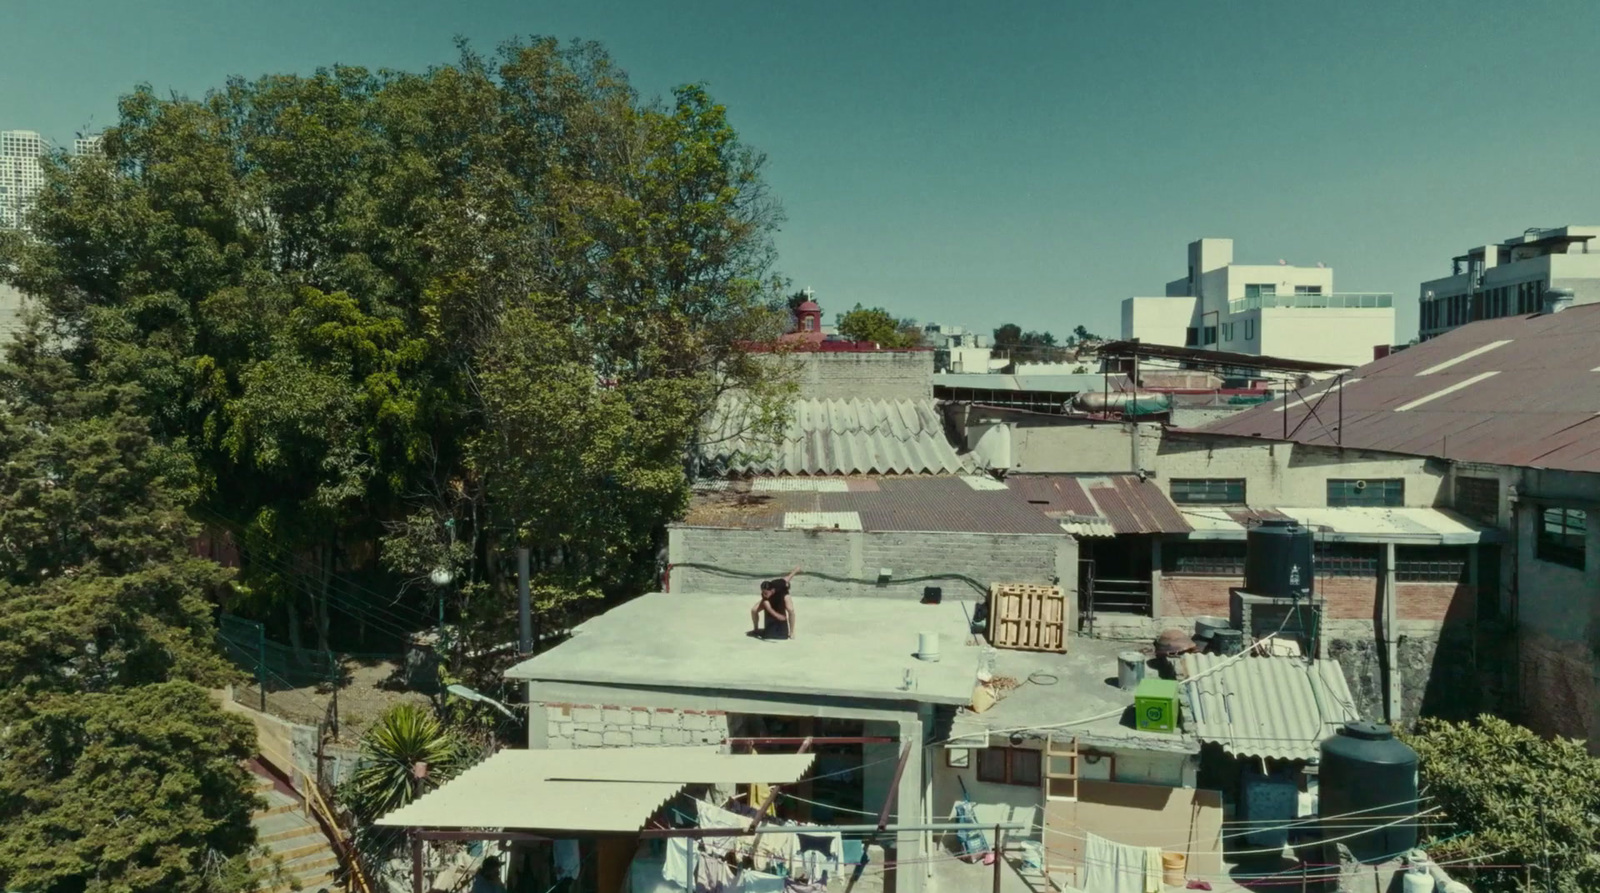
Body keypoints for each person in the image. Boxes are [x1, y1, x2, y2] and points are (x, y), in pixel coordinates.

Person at [751, 567, 801, 640]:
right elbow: (768, 608)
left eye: (765, 593)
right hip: (772, 599)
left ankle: (792, 631)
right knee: (754, 610)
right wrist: (778, 616)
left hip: (783, 594)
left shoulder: (779, 584)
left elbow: (788, 578)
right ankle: (756, 629)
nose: (763, 594)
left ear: (772, 590)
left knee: (791, 610)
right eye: (762, 592)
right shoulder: (764, 595)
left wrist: (796, 570)